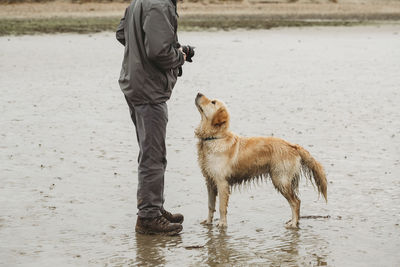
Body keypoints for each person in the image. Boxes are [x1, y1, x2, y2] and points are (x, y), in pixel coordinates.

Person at [116, 0, 193, 235]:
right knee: (154, 155)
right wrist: (179, 56)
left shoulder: (140, 1)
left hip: (135, 84)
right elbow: (158, 51)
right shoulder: (160, 5)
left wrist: (150, 49)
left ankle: (154, 208)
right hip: (149, 90)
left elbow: (122, 34)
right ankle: (148, 216)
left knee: (150, 151)